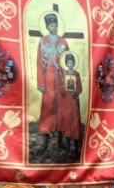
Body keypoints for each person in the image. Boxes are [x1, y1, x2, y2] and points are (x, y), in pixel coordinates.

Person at [35, 12, 69, 154]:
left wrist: (69, 82)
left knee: (61, 111)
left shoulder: (63, 42)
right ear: (47, 27)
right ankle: (45, 144)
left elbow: (68, 61)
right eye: (50, 25)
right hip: (48, 79)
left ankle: (61, 142)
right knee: (47, 110)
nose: (53, 27)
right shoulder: (43, 41)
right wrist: (41, 83)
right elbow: (39, 63)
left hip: (61, 79)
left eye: (55, 25)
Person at [58, 52, 82, 158]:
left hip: (73, 100)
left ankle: (76, 149)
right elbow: (60, 88)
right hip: (66, 102)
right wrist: (64, 87)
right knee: (67, 123)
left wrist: (75, 92)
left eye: (72, 62)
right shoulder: (64, 74)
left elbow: (80, 87)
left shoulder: (76, 74)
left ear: (74, 63)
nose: (70, 63)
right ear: (66, 63)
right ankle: (68, 148)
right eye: (68, 62)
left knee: (75, 123)